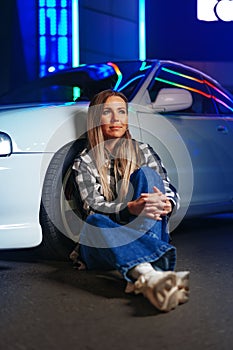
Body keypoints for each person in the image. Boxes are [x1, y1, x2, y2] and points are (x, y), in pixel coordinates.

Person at [70, 89, 190, 312]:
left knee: (147, 174)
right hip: (106, 240)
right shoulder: (84, 162)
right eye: (107, 112)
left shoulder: (143, 151)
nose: (116, 119)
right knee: (95, 221)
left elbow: (168, 190)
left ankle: (145, 276)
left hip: (147, 229)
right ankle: (152, 270)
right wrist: (129, 210)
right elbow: (91, 207)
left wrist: (167, 204)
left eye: (122, 112)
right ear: (96, 118)